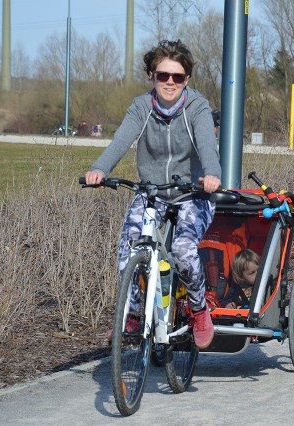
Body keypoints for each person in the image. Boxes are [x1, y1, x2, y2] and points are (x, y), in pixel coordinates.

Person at [84, 40, 221, 350]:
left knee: (185, 250)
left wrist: (211, 175)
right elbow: (120, 141)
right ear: (152, 76)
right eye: (163, 76)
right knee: (128, 247)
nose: (170, 83)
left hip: (193, 195)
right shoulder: (141, 107)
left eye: (178, 77)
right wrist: (99, 169)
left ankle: (199, 310)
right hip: (152, 193)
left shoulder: (196, 107)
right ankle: (133, 313)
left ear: (187, 79)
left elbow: (206, 145)